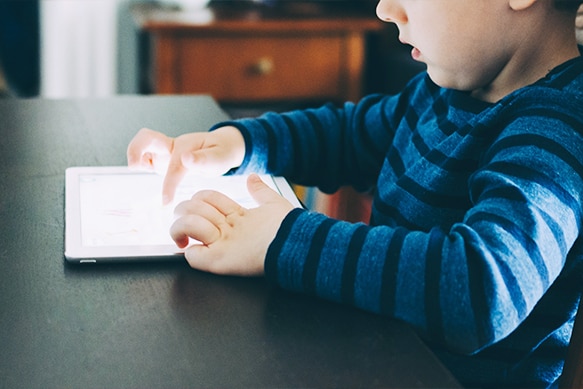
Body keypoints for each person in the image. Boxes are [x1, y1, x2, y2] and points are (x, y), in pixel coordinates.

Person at [127, 0, 583, 387]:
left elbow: (484, 290)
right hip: (379, 355)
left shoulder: (555, 130)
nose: (386, 8)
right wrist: (240, 144)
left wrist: (281, 238)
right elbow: (347, 135)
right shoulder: (448, 90)